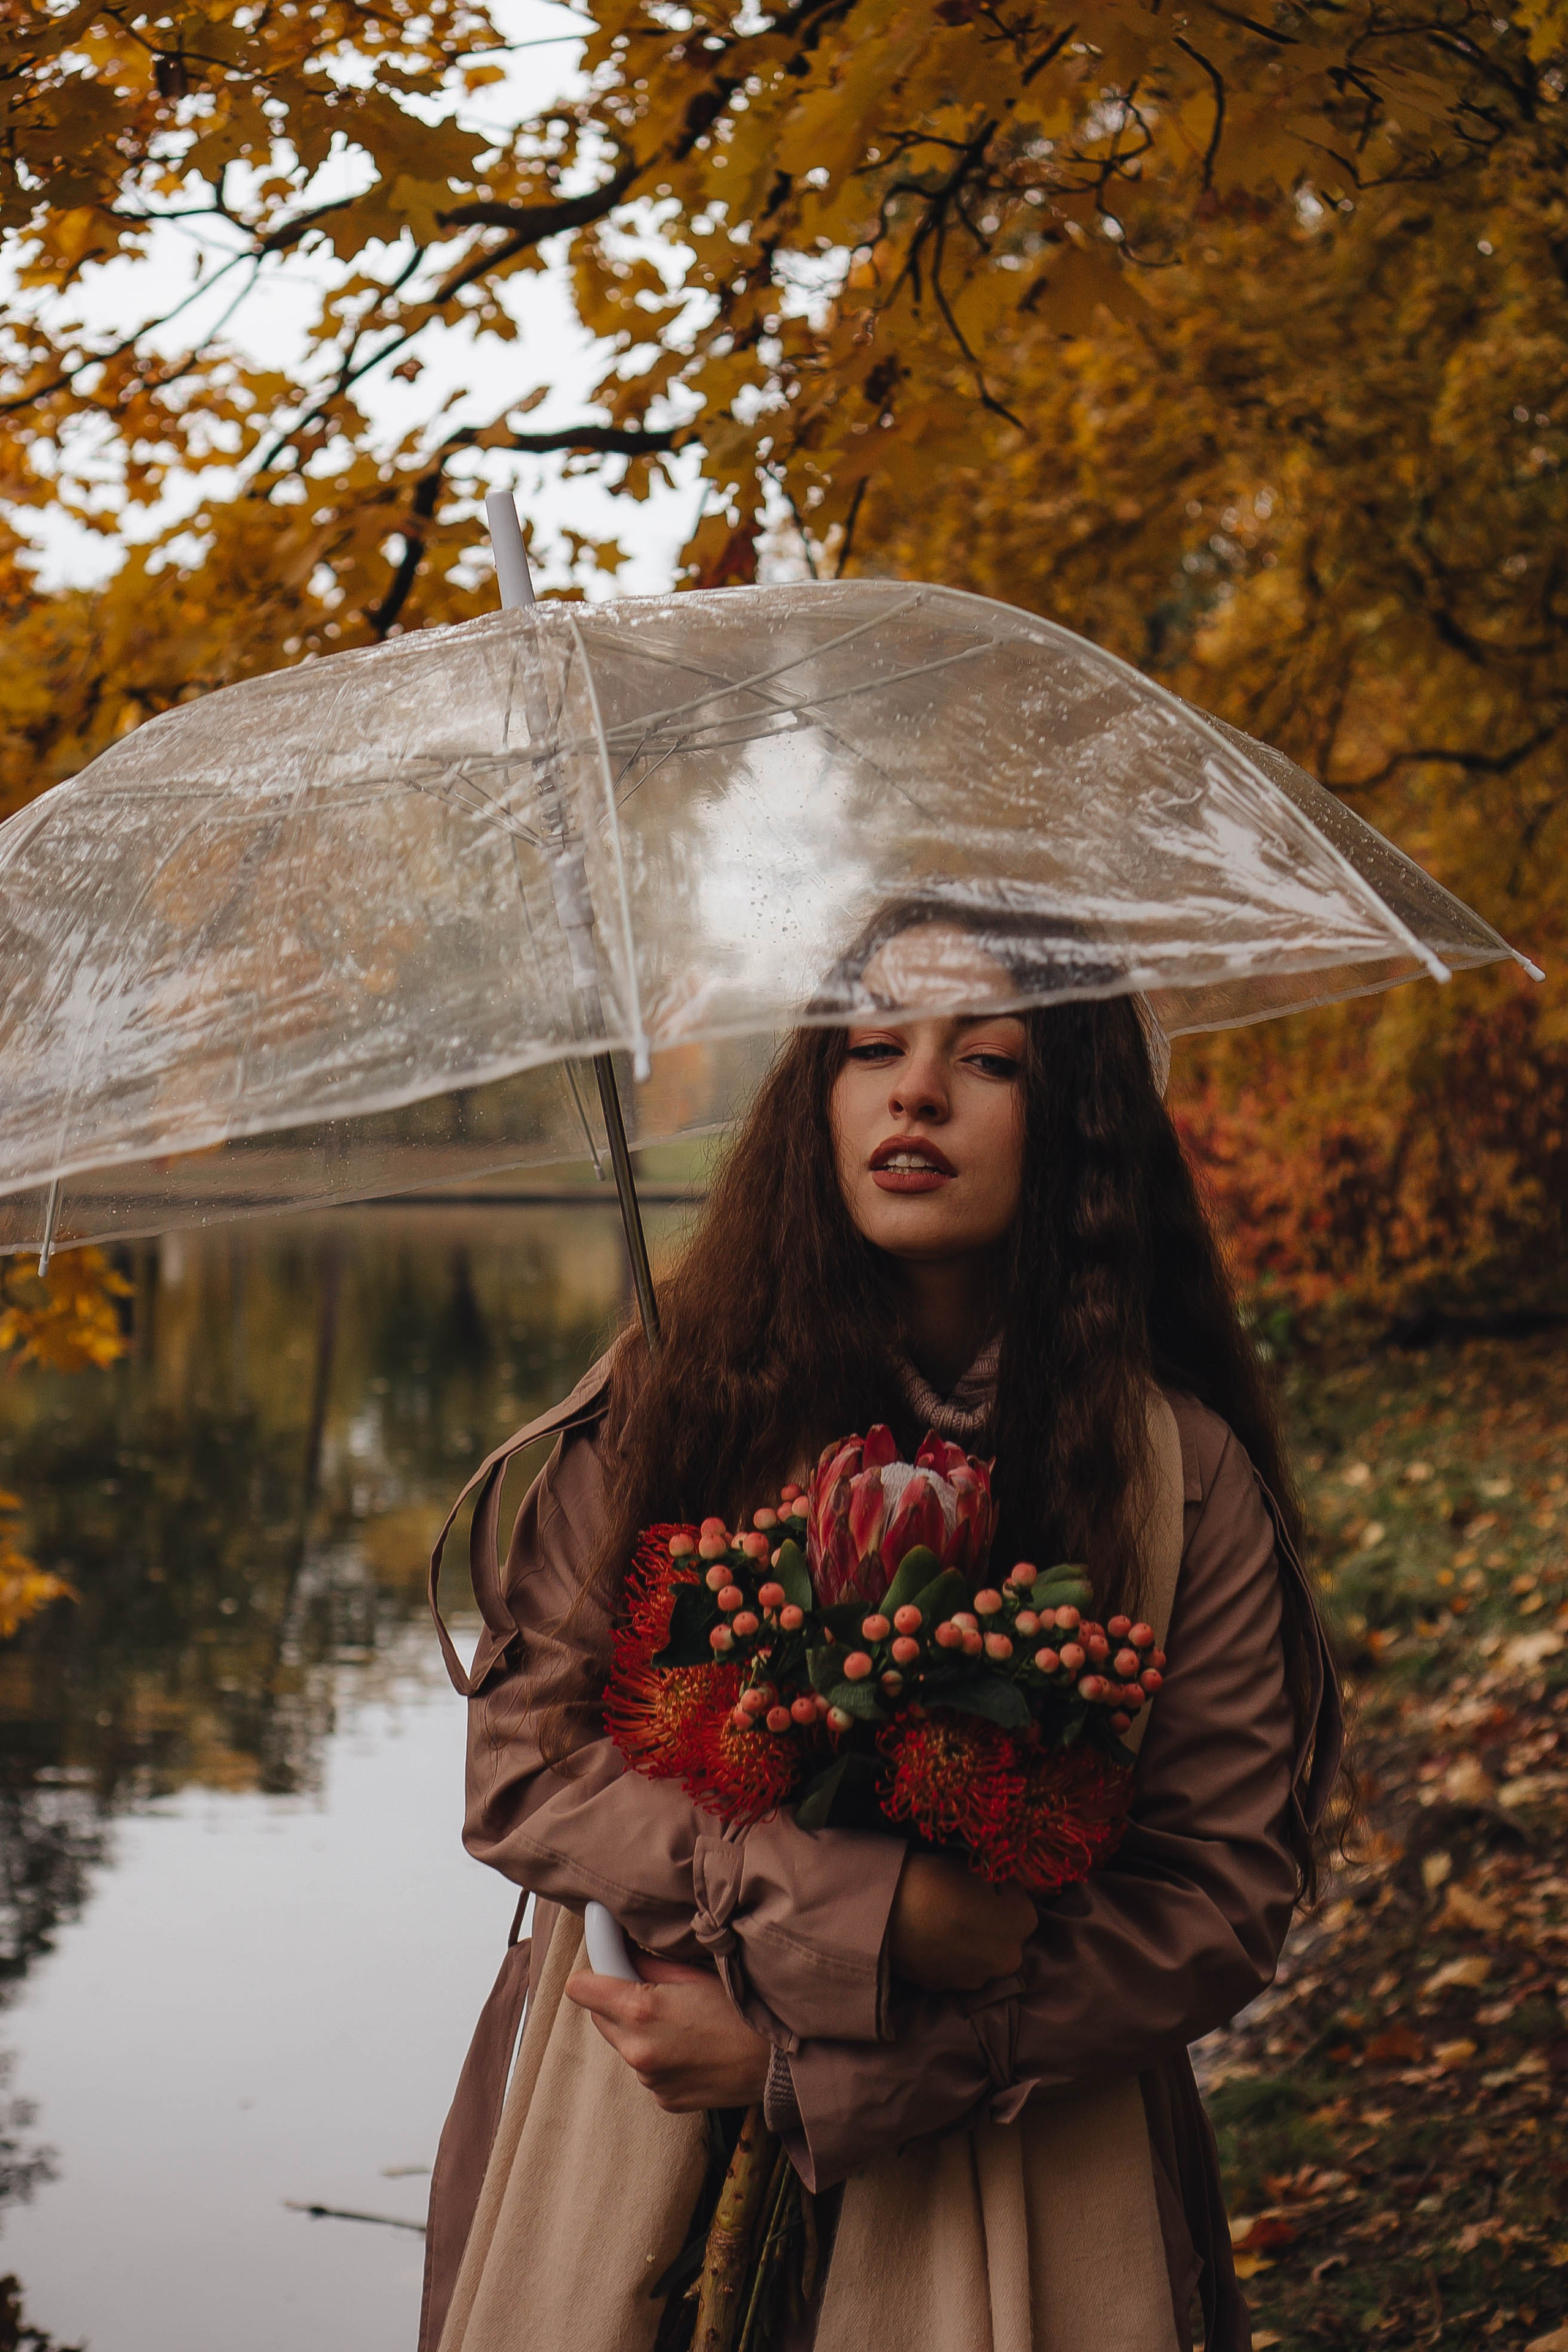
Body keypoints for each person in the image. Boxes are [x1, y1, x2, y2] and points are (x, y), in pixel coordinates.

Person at [421, 911, 1343, 2352]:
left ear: (1080, 1125)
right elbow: (522, 1766)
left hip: (1021, 2163)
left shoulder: (1175, 1476)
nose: (914, 1092)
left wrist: (818, 2071)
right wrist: (855, 1912)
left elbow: (1213, 1893)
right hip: (625, 2121)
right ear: (819, 1098)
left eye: (986, 1059)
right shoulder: (672, 1397)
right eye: (870, 1049)